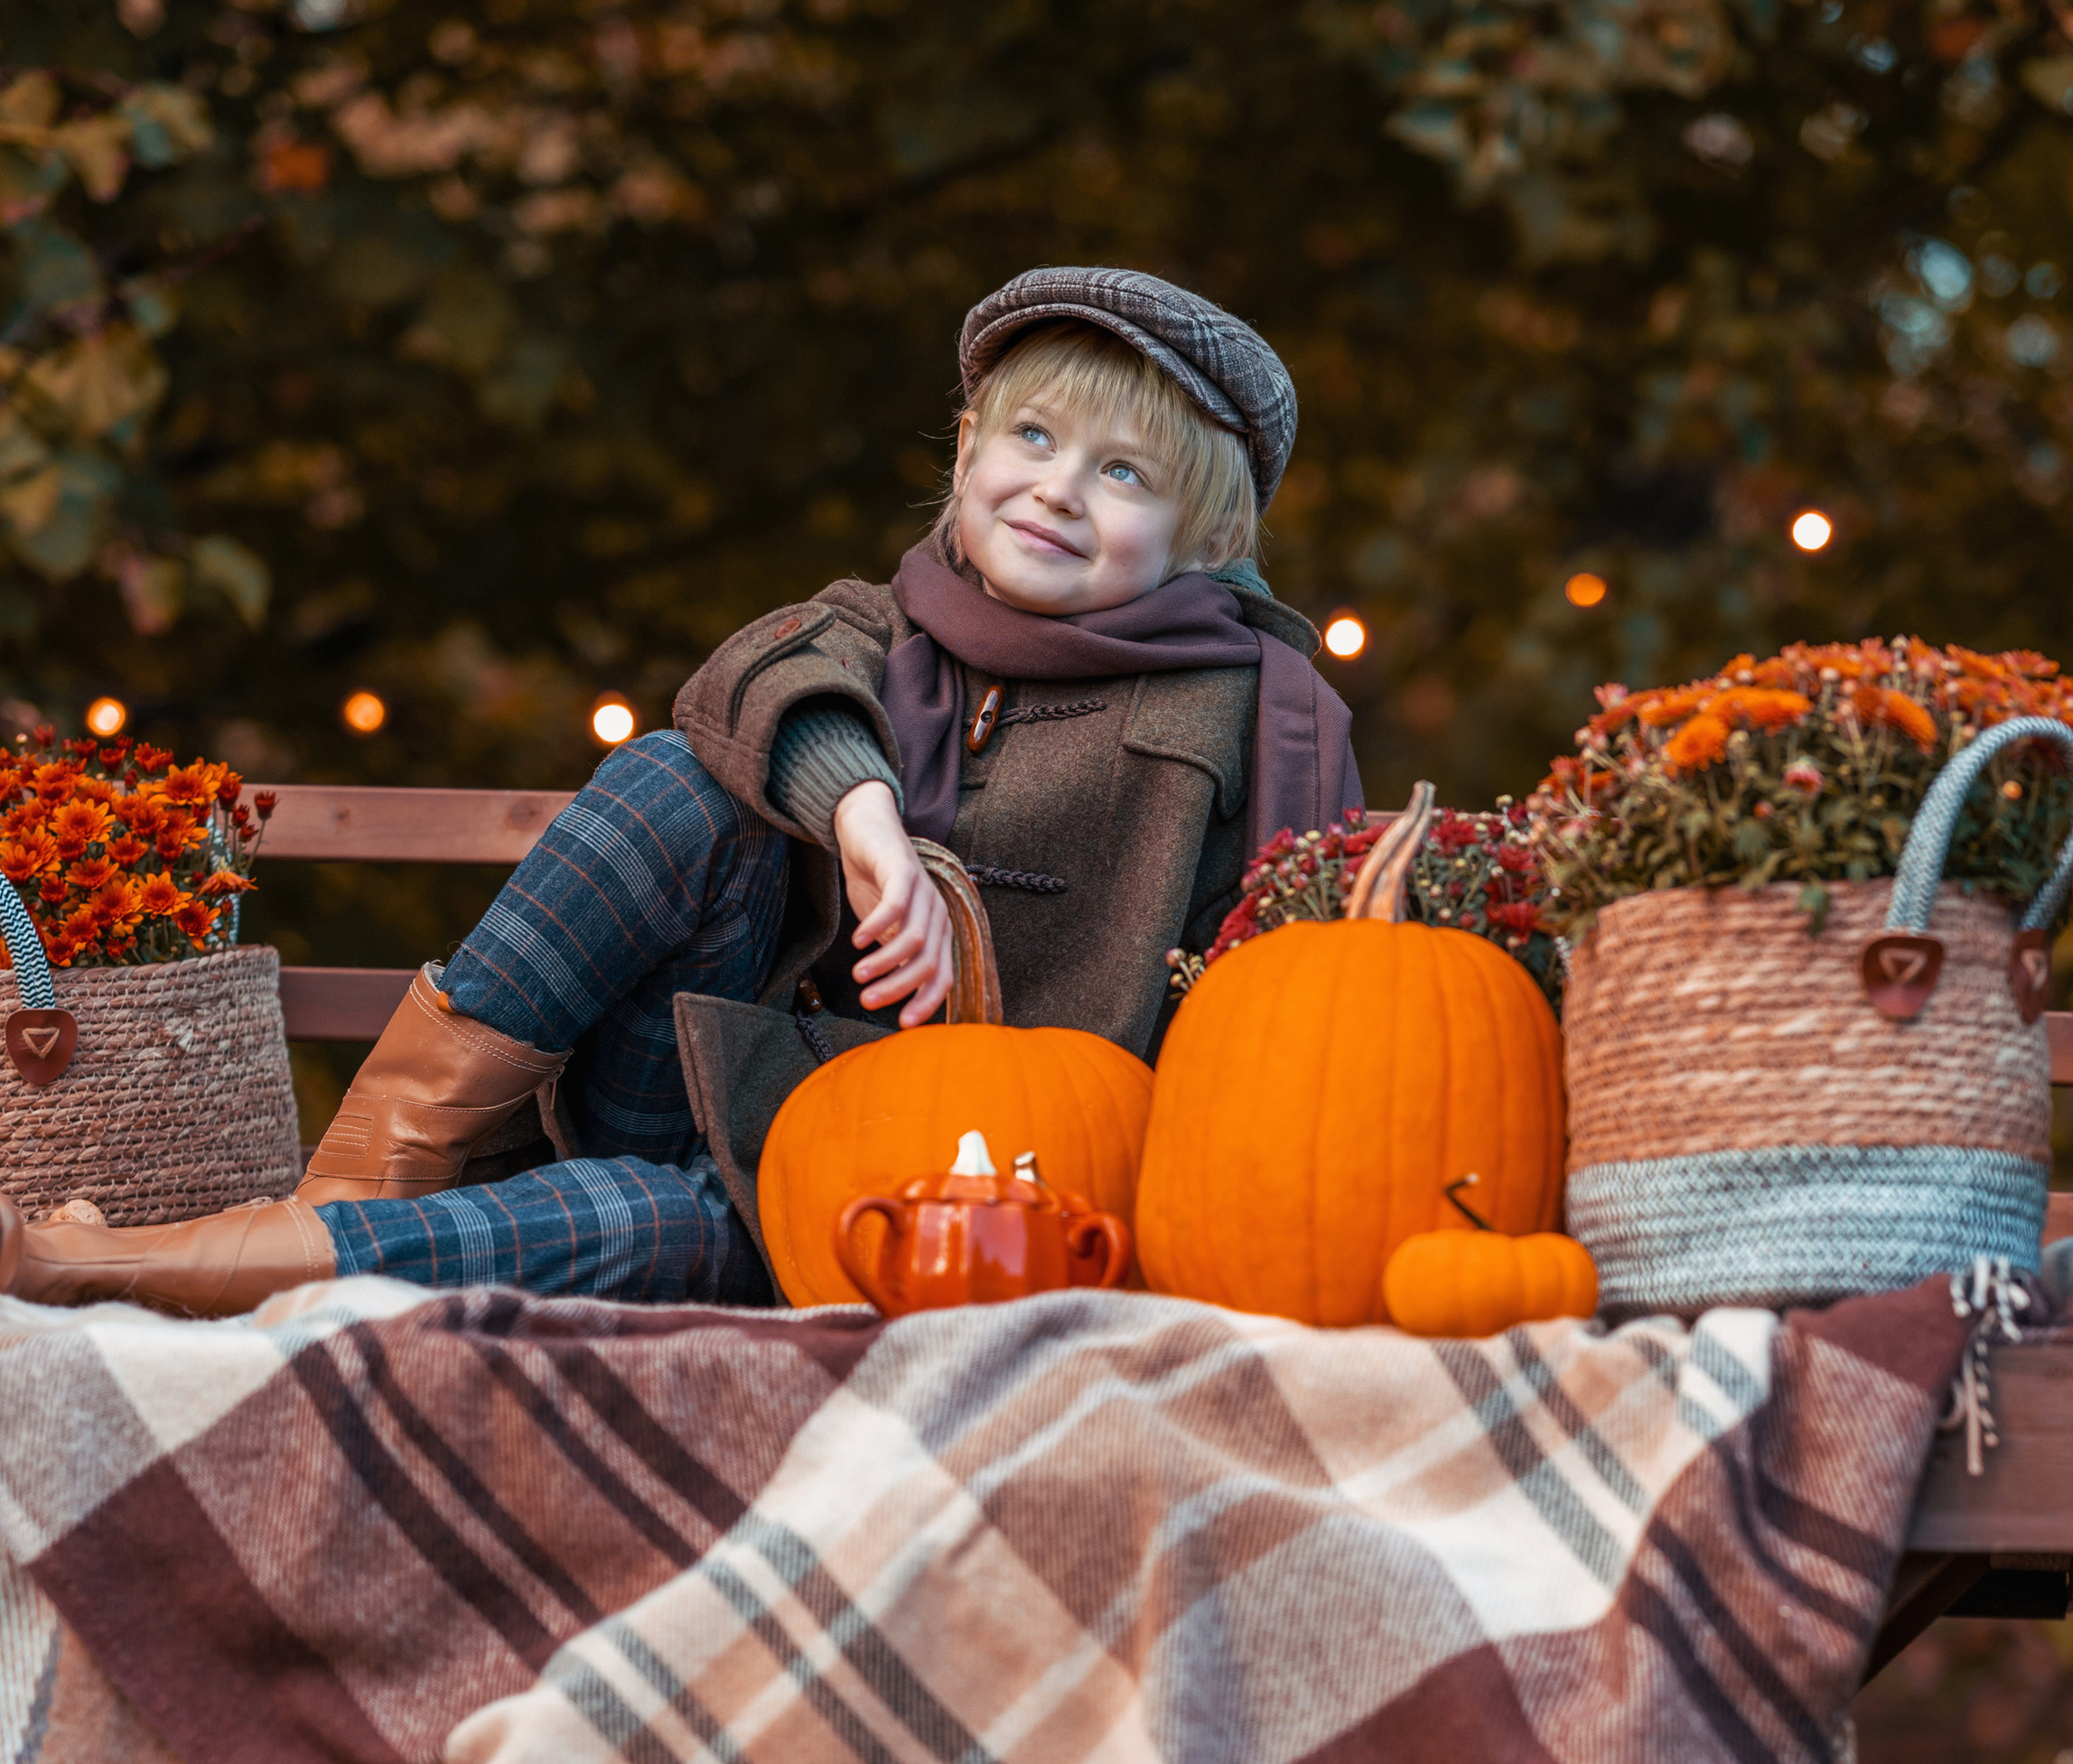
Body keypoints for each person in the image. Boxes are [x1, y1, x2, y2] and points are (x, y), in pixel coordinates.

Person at [1, 267, 1360, 1317]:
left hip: (912, 1199)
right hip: (720, 1075)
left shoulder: (1239, 714)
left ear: (1207, 535)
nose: (1059, 490)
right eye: (1036, 439)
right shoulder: (882, 627)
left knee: (638, 1221)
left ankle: (168, 1267)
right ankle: (365, 1169)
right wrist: (862, 812)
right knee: (682, 769)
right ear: (966, 457)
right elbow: (747, 681)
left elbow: (1281, 1001)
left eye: (1122, 474)